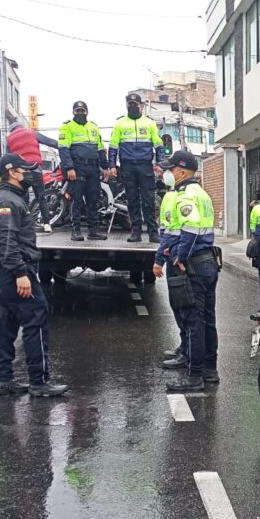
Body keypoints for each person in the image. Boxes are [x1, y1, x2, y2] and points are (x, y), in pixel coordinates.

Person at [0, 153, 68, 397]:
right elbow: (6, 241)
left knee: (8, 324)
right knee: (36, 322)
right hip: (15, 272)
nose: (31, 174)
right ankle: (39, 382)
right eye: (26, 169)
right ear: (12, 172)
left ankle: (3, 380)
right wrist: (20, 272)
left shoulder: (11, 198)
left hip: (7, 273)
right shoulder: (7, 202)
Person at [154, 150, 220, 393]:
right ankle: (210, 370)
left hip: (193, 263)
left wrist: (180, 256)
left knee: (194, 320)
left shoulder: (188, 195)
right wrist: (160, 258)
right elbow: (174, 231)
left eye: (170, 170)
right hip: (206, 262)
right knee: (206, 320)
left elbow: (189, 230)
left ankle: (195, 376)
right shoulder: (199, 193)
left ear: (181, 171)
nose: (167, 174)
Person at [109, 92, 165, 243]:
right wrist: (112, 165)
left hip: (145, 166)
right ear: (126, 105)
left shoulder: (149, 123)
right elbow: (113, 146)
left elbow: (159, 145)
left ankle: (153, 233)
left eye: (135, 103)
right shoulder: (120, 123)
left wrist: (160, 164)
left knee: (148, 201)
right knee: (132, 201)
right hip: (127, 167)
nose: (133, 106)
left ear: (141, 105)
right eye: (130, 103)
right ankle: (136, 233)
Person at [58, 100, 108, 242]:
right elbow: (63, 149)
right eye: (77, 111)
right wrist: (70, 168)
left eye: (82, 111)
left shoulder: (94, 127)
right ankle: (76, 231)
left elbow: (100, 149)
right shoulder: (67, 127)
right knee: (76, 200)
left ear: (87, 112)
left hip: (93, 169)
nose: (80, 113)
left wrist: (104, 167)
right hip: (77, 168)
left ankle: (93, 231)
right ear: (73, 112)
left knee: (93, 201)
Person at [155, 170, 188, 369]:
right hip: (176, 254)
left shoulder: (176, 197)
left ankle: (186, 352)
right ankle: (184, 347)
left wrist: (159, 259)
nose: (165, 173)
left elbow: (170, 232)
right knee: (179, 306)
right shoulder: (174, 196)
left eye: (170, 169)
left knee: (182, 307)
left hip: (177, 258)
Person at [6, 121, 59, 232]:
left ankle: (24, 225)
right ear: (21, 126)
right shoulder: (31, 132)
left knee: (23, 198)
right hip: (35, 169)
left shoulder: (9, 139)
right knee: (41, 197)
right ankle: (46, 224)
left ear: (12, 130)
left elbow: (8, 157)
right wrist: (65, 146)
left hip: (21, 171)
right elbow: (51, 142)